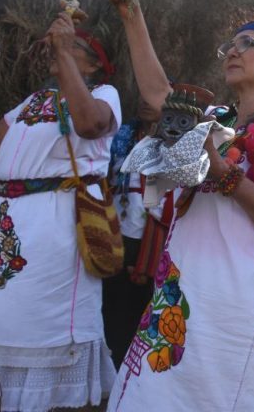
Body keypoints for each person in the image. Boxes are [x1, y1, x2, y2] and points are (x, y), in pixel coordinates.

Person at [105, 0, 254, 411]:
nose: (234, 51)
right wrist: (132, 13)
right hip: (182, 292)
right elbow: (156, 94)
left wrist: (227, 177)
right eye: (232, 44)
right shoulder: (210, 123)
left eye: (249, 43)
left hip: (239, 305)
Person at [0, 14, 121, 411]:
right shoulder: (36, 100)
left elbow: (88, 125)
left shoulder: (104, 93)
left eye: (72, 48)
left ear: (94, 64)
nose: (58, 51)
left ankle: (46, 402)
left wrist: (63, 51)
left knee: (43, 326)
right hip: (3, 221)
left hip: (55, 224)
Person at [102, 101, 162, 369]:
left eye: (155, 99)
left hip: (147, 237)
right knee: (109, 300)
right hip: (112, 229)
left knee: (135, 304)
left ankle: (124, 367)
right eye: (143, 98)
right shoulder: (122, 138)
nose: (147, 103)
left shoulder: (172, 146)